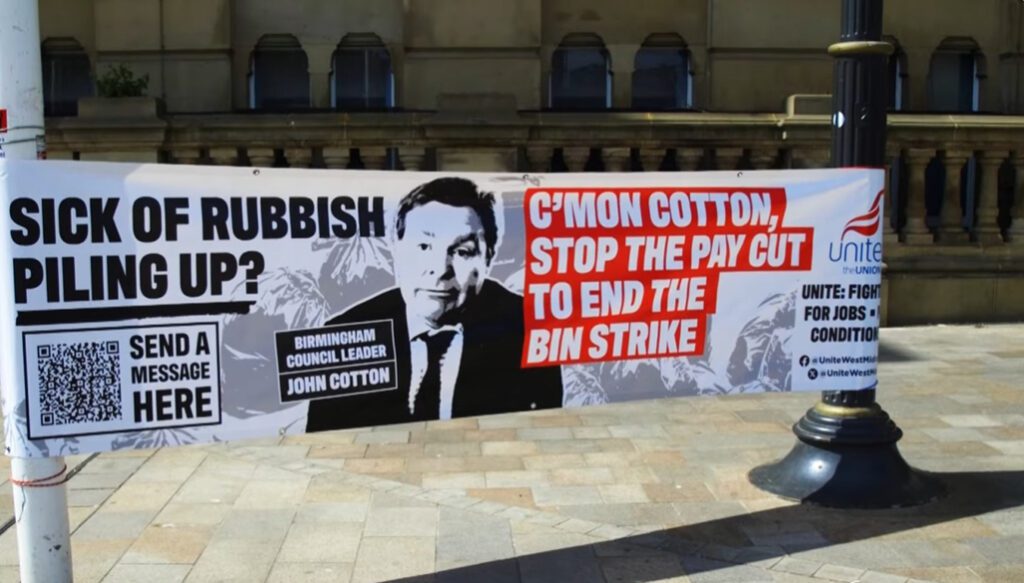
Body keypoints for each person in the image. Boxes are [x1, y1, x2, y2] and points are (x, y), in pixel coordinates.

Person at [305, 177, 564, 432]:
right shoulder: (343, 334)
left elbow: (541, 433)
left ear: (489, 258)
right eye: (424, 246)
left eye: (462, 252)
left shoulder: (529, 328)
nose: (440, 270)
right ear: (396, 249)